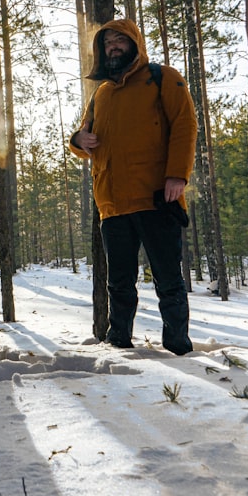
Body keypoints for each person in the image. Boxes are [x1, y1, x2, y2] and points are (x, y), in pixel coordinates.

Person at [69, 19, 198, 355]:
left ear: (134, 43)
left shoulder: (162, 78)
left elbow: (185, 126)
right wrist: (78, 139)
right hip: (112, 204)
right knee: (119, 283)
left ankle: (178, 347)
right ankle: (119, 344)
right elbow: (83, 137)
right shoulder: (101, 94)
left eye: (119, 40)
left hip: (156, 197)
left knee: (168, 280)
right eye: (108, 42)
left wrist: (177, 176)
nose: (113, 46)